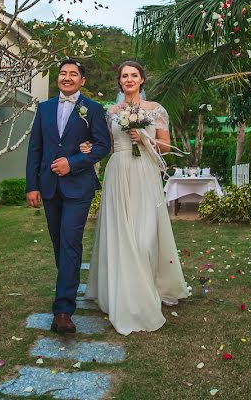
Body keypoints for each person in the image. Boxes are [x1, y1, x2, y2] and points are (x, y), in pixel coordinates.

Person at [84, 61, 190, 335]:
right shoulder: (111, 112)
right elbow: (105, 145)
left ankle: (147, 287)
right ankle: (121, 292)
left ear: (142, 79)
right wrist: (88, 146)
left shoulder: (156, 110)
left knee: (145, 236)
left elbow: (165, 146)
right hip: (118, 171)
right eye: (124, 76)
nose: (129, 80)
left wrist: (143, 137)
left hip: (146, 172)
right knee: (121, 233)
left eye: (134, 75)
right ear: (119, 82)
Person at [25, 59, 110, 334]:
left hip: (78, 187)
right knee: (60, 245)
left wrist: (72, 163)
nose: (67, 77)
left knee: (70, 242)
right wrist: (32, 186)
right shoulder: (44, 108)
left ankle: (63, 310)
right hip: (49, 186)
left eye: (73, 74)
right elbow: (35, 148)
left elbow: (102, 146)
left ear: (82, 80)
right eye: (63, 73)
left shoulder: (93, 109)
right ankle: (67, 285)